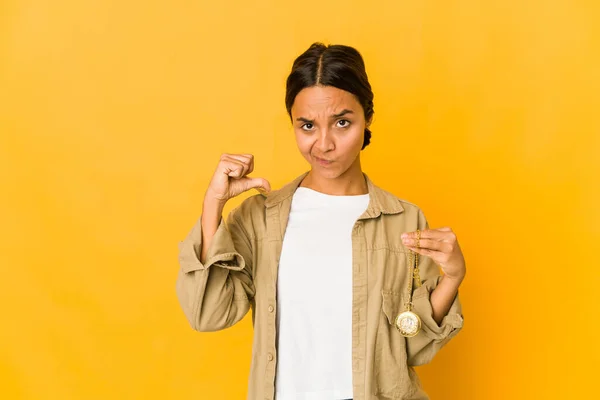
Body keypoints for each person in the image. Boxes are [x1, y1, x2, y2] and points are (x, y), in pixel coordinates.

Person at [176, 42, 466, 400]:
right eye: (308, 126)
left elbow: (413, 346)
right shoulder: (260, 219)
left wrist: (452, 277)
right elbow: (209, 314)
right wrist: (212, 206)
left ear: (368, 118)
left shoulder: (403, 219)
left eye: (342, 122)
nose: (324, 144)